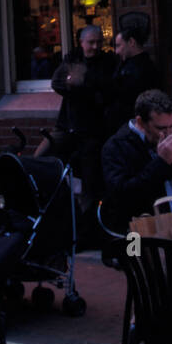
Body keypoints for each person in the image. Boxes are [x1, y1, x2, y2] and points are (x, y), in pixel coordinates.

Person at [43, 25, 118, 233]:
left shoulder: (106, 62)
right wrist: (77, 85)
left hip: (91, 129)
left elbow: (106, 90)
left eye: (98, 42)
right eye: (91, 42)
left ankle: (87, 228)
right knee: (42, 156)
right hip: (67, 124)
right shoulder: (72, 60)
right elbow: (58, 82)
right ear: (82, 43)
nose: (95, 47)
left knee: (89, 179)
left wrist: (80, 83)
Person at [101, 89, 172, 226]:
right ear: (141, 122)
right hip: (146, 234)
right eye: (161, 128)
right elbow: (122, 199)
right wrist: (161, 163)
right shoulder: (116, 146)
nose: (167, 133)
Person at [105, 13, 163, 136]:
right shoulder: (127, 65)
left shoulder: (140, 69)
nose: (117, 51)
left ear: (131, 42)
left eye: (119, 45)